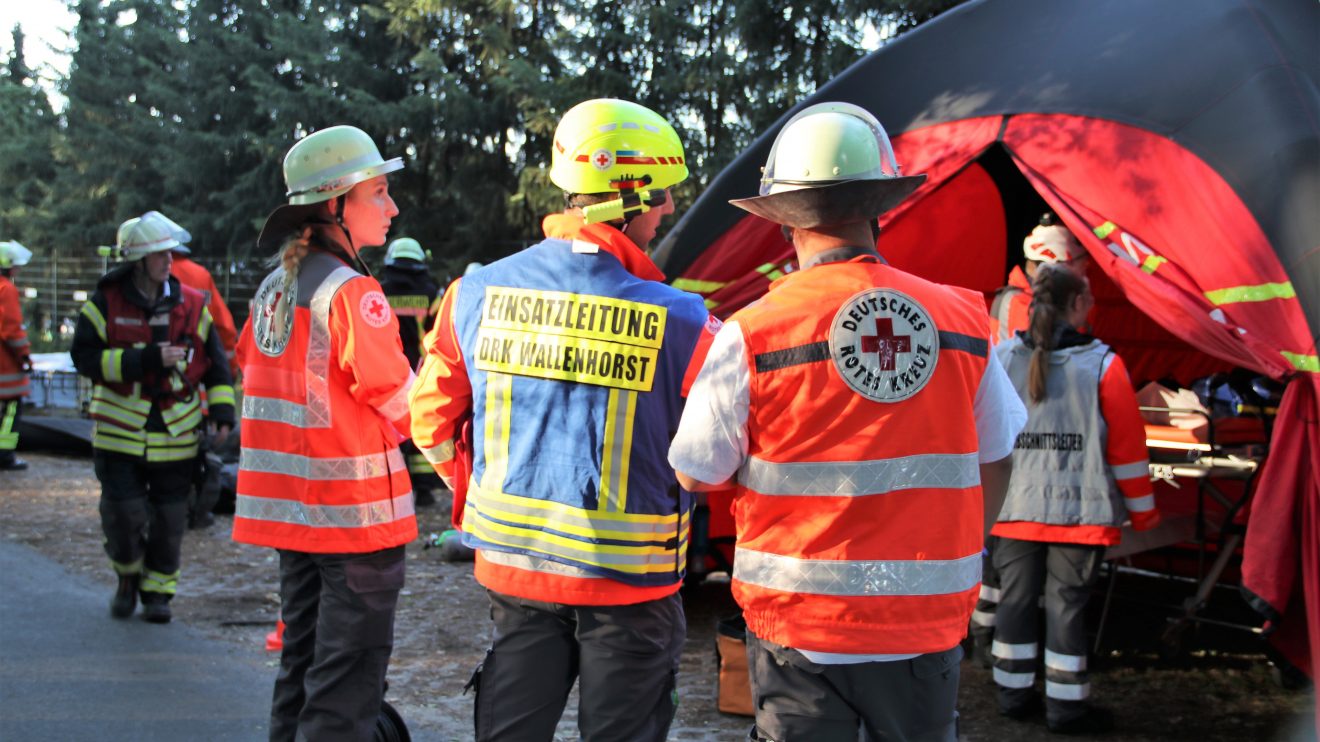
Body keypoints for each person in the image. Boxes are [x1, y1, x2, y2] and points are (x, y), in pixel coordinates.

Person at [668, 101, 1027, 741]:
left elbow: (697, 474)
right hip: (923, 627)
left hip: (799, 632)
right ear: (879, 212)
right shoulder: (963, 322)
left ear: (784, 225)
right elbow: (998, 455)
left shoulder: (755, 330)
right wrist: (961, 554)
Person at [409, 98, 720, 741]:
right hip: (631, 586)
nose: (668, 209)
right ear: (626, 196)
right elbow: (717, 458)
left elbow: (431, 425)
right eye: (660, 194)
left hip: (515, 573)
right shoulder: (688, 322)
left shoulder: (473, 294)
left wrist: (480, 499)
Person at [231, 124, 417, 742]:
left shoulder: (271, 288)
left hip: (295, 520)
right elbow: (402, 401)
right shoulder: (353, 293)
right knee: (346, 685)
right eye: (380, 193)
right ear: (335, 205)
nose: (391, 208)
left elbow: (255, 374)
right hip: (357, 526)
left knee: (303, 667)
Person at [990, 263, 1160, 734]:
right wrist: (1144, 516)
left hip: (1013, 512)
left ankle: (1011, 694)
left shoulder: (1001, 358)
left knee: (1015, 603)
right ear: (1079, 305)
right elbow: (1128, 452)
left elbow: (982, 437)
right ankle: (1066, 708)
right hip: (1079, 515)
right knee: (1066, 607)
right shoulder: (1105, 365)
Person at [70, 217, 235, 623]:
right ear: (137, 261)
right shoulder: (106, 302)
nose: (169, 260)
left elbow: (215, 364)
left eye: (169, 252)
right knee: (122, 516)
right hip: (119, 433)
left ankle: (159, 594)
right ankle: (127, 577)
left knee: (169, 520)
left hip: (177, 431)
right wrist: (141, 361)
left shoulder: (193, 303)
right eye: (159, 254)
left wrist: (222, 413)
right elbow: (84, 358)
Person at [972, 212, 1095, 665]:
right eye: (1082, 261)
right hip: (1026, 454)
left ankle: (988, 642)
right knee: (1008, 569)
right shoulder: (1023, 310)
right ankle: (986, 638)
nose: (1087, 270)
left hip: (1013, 450)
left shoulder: (1007, 300)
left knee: (1005, 566)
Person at [379, 237, 442, 507]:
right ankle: (425, 490)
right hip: (421, 366)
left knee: (388, 424)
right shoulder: (430, 292)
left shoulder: (379, 290)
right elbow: (437, 330)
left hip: (386, 366)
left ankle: (392, 482)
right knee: (420, 421)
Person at [989, 213, 1091, 343]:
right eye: (1081, 260)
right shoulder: (1020, 303)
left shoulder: (1038, 296)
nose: (1087, 265)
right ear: (1057, 265)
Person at [0, 240, 33, 472]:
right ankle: (5, 456)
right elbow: (12, 330)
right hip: (6, 367)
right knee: (11, 411)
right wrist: (24, 356)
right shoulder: (6, 289)